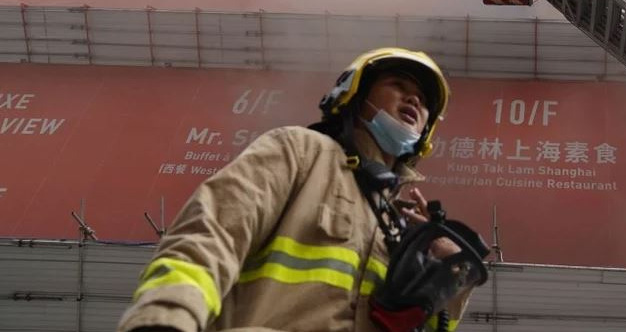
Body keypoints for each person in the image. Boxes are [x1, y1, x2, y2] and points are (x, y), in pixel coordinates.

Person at [118, 47, 484, 332]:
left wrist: (447, 273)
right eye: (398, 86)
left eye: (422, 100)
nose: (414, 101)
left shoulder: (398, 229)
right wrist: (166, 317)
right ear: (354, 96)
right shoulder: (299, 151)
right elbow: (212, 235)